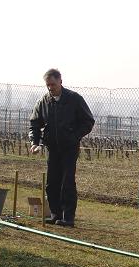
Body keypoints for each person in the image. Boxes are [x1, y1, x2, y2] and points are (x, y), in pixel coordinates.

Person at [29, 68, 94, 227]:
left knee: (67, 182)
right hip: (52, 148)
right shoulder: (43, 102)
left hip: (69, 148)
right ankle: (55, 214)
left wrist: (74, 136)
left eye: (53, 84)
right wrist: (35, 142)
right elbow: (35, 124)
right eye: (48, 85)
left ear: (60, 81)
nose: (50, 88)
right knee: (52, 182)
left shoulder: (74, 99)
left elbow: (88, 121)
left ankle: (68, 217)